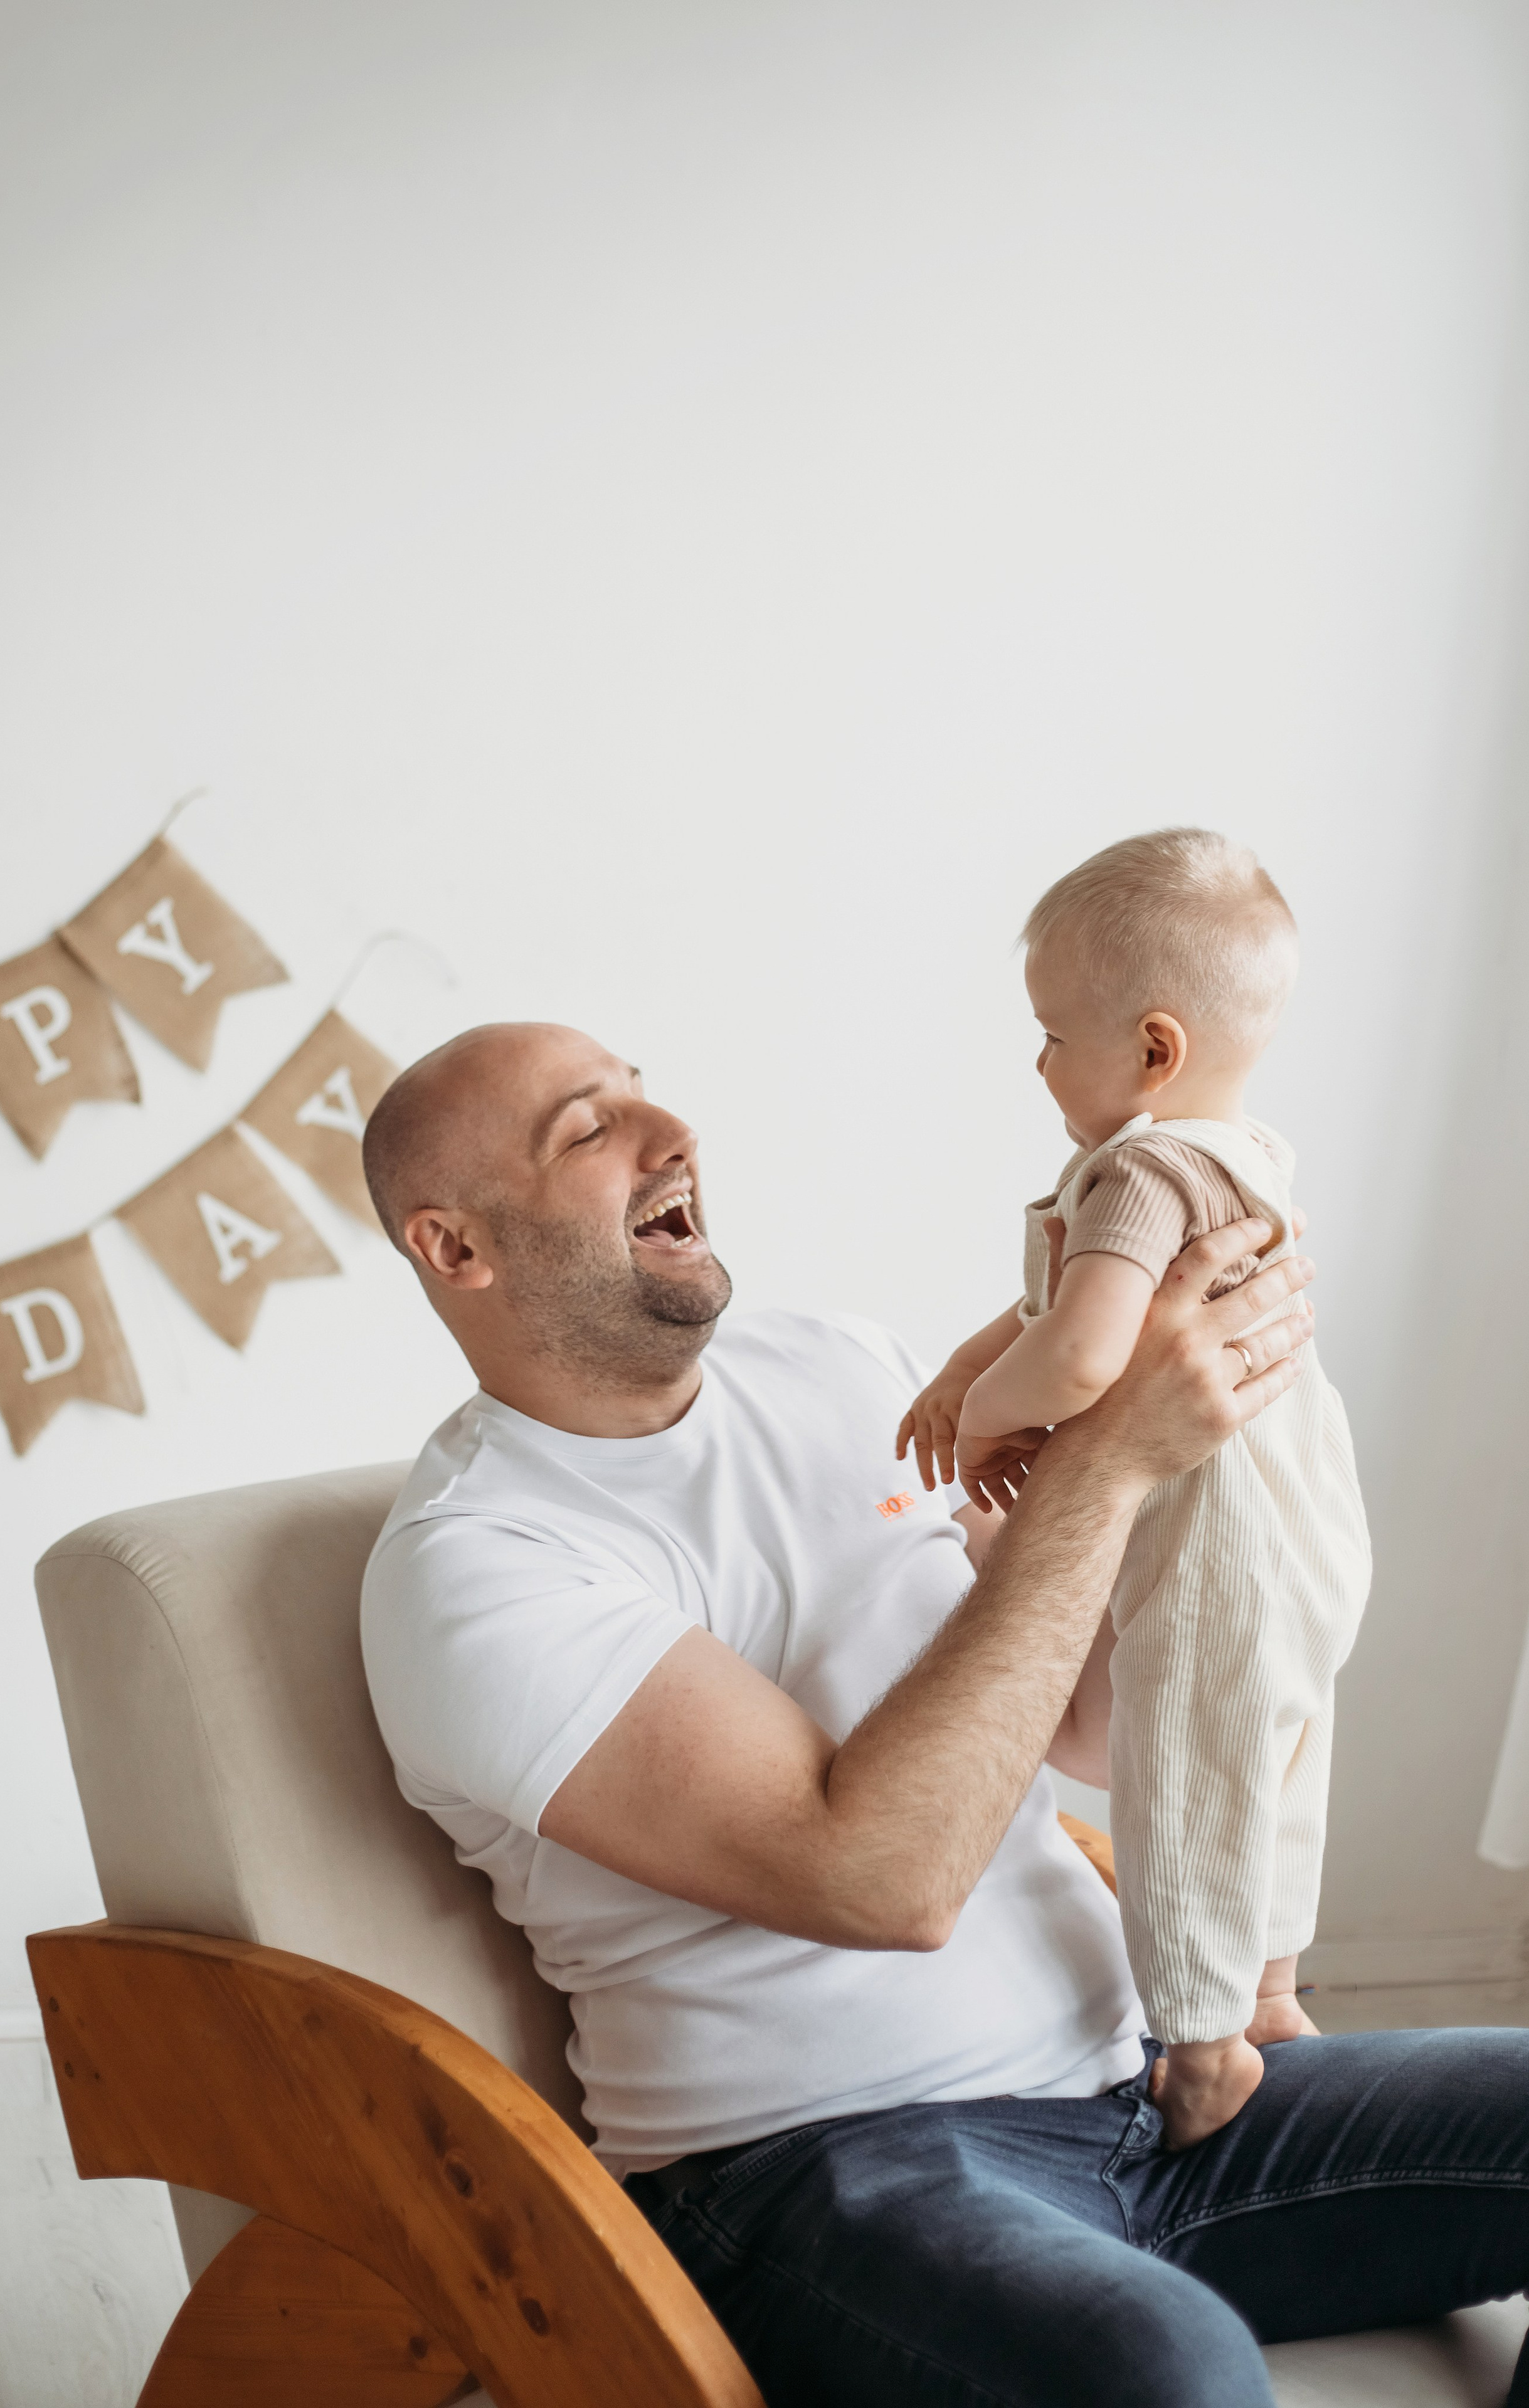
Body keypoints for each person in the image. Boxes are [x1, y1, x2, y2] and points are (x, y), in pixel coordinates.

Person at [359, 1021, 1529, 2408]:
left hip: (1146, 2093)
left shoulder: (843, 1372)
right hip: (823, 2169)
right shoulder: (478, 1563)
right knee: (1160, 2367)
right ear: (455, 1249)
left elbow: (1079, 1730)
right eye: (585, 1128)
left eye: (637, 1090)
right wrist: (1102, 1467)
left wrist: (1191, 1484)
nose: (665, 1130)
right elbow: (882, 1878)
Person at [897, 830, 1372, 2149]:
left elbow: (1086, 1346)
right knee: (1274, 1753)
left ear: (1151, 1050)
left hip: (1218, 1538)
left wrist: (976, 1411)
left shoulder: (1139, 1170)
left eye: (1050, 1034)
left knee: (1183, 1773)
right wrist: (967, 1353)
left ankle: (1203, 2039)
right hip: (1309, 1519)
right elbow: (1049, 1299)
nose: (1038, 1061)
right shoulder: (1238, 1154)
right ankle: (1273, 1986)